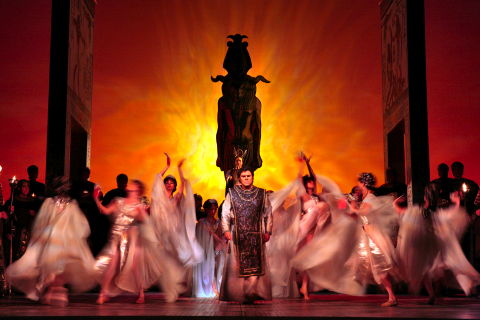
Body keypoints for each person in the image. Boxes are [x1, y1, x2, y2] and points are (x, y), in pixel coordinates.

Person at [292, 172, 399, 307]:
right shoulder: (366, 199)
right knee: (367, 268)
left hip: (372, 238)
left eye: (360, 183)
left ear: (364, 184)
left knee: (379, 268)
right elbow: (356, 215)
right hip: (367, 236)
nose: (359, 185)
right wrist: (349, 207)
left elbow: (362, 213)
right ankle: (389, 295)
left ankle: (391, 296)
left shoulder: (370, 199)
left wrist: (352, 207)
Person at [5, 177, 96, 306]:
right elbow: (42, 221)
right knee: (51, 266)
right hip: (52, 239)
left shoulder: (71, 205)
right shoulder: (50, 203)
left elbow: (80, 224)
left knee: (61, 266)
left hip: (64, 240)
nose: (63, 189)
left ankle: (52, 291)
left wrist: (76, 236)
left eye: (65, 187)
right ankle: (49, 291)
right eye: (61, 187)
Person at [94, 179, 183, 304]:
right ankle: (103, 293)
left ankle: (141, 294)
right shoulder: (119, 201)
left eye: (134, 186)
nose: (130, 187)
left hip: (132, 238)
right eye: (130, 185)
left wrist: (144, 213)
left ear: (138, 190)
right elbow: (105, 211)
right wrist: (97, 199)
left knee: (135, 266)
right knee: (112, 265)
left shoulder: (139, 205)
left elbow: (145, 221)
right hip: (117, 238)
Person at [395, 184, 480, 304]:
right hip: (435, 242)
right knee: (437, 267)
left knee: (426, 269)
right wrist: (456, 203)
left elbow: (402, 213)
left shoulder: (420, 210)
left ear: (425, 197)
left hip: (424, 243)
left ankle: (433, 294)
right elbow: (453, 214)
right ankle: (435, 293)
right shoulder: (438, 212)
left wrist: (395, 203)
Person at [220, 167, 273, 303]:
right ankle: (239, 294)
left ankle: (252, 292)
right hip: (237, 234)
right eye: (243, 176)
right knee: (236, 265)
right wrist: (225, 230)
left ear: (253, 177)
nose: (246, 178)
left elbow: (268, 213)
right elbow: (225, 212)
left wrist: (268, 231)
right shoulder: (232, 193)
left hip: (256, 234)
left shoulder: (261, 193)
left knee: (256, 265)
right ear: (240, 178)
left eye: (249, 176)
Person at [297, 153, 330, 299]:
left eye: (312, 181)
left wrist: (309, 164)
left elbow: (315, 177)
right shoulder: (303, 195)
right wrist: (302, 164)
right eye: (309, 181)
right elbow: (298, 180)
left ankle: (305, 287)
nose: (312, 182)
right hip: (306, 228)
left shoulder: (316, 196)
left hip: (317, 228)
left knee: (310, 260)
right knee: (307, 259)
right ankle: (304, 287)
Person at [71, 167, 109, 256]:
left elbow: (99, 197)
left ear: (88, 175)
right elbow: (72, 197)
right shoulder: (75, 185)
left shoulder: (92, 186)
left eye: (86, 174)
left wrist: (92, 195)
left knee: (90, 232)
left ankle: (89, 250)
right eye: (82, 174)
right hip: (78, 212)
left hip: (90, 213)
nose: (84, 176)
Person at [192, 199, 224, 297]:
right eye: (210, 209)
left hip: (218, 249)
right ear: (206, 210)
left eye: (215, 209)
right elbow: (200, 238)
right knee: (209, 267)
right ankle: (212, 288)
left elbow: (222, 235)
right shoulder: (202, 223)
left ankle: (218, 287)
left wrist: (220, 244)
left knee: (218, 267)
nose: (213, 212)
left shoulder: (219, 222)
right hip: (206, 250)